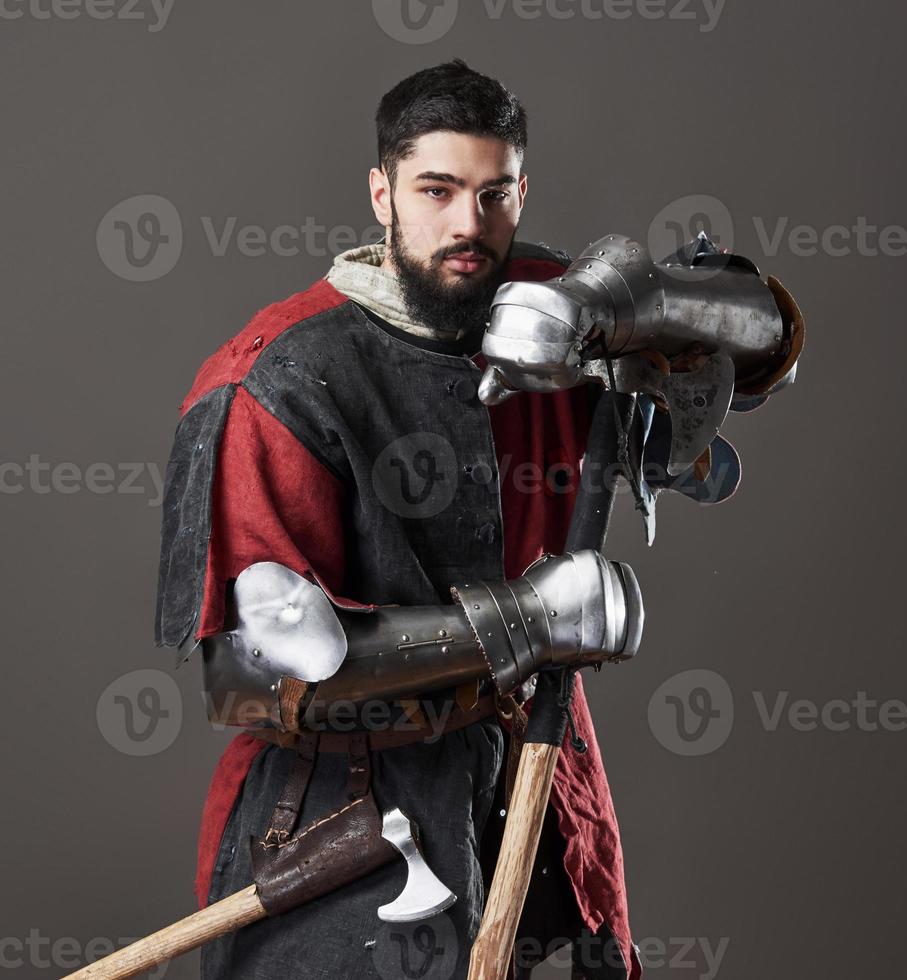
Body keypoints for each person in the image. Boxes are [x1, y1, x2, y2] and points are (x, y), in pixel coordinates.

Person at [156, 59, 641, 979]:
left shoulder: (558, 318)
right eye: (437, 190)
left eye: (495, 194)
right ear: (381, 194)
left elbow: (747, 344)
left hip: (531, 789)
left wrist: (647, 301)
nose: (469, 223)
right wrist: (530, 623)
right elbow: (246, 680)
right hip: (339, 828)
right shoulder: (277, 381)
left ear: (521, 191)